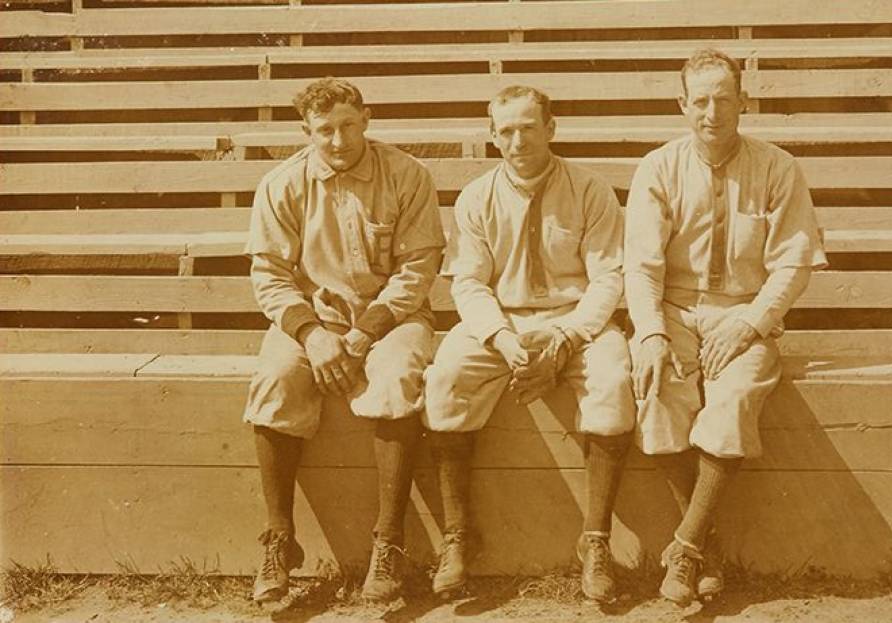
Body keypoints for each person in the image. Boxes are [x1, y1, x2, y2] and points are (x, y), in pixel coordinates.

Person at [624, 49, 828, 607]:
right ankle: (705, 549)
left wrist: (752, 323)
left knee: (735, 397)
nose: (711, 112)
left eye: (723, 99)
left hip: (744, 312)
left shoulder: (777, 166)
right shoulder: (659, 167)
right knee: (657, 387)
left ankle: (685, 545)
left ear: (743, 101)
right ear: (682, 104)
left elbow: (793, 263)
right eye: (700, 101)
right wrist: (650, 333)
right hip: (674, 311)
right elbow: (641, 266)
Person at [422, 85, 636, 604]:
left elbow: (609, 277)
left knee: (612, 381)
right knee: (446, 377)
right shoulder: (478, 197)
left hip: (575, 319)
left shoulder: (588, 189)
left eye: (528, 127)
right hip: (503, 320)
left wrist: (567, 336)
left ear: (550, 128)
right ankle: (457, 535)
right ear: (493, 136)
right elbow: (468, 283)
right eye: (506, 131)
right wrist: (499, 336)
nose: (518, 140)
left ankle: (596, 540)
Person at [242, 77, 445, 604]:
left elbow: (419, 265)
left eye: (349, 125)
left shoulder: (406, 174)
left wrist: (365, 332)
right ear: (306, 131)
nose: (338, 140)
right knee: (275, 379)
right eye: (325, 130)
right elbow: (269, 273)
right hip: (313, 321)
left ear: (367, 118)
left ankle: (388, 543)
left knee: (399, 375)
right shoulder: (282, 184)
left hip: (391, 319)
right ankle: (280, 540)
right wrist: (311, 334)